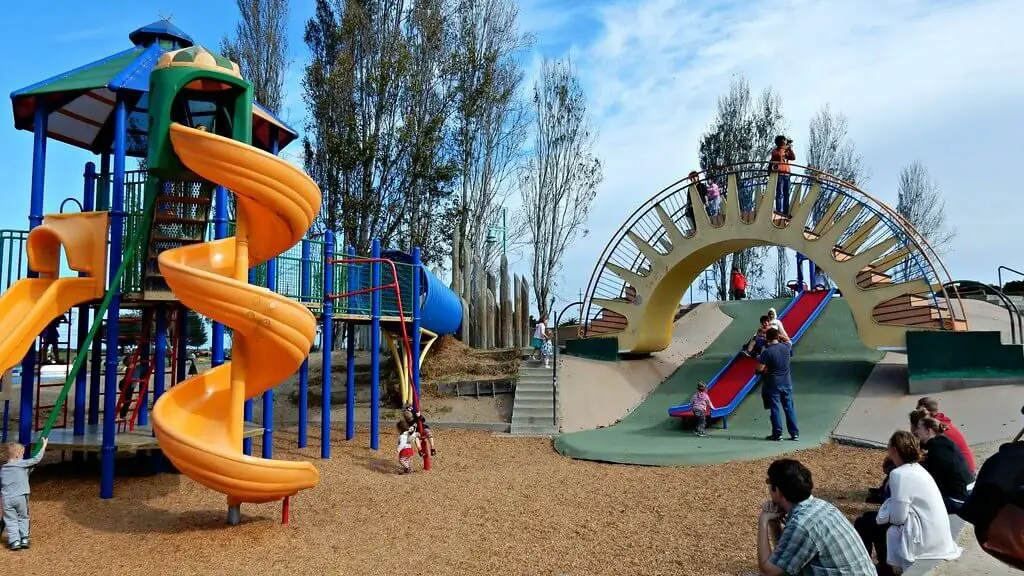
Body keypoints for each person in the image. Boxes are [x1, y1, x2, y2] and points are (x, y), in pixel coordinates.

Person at [756, 458, 876, 575]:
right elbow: (785, 559)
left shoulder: (802, 525)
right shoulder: (821, 506)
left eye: (769, 482)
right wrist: (774, 524)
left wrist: (763, 521)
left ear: (777, 490)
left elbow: (768, 572)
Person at [873, 430, 962, 574]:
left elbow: (898, 518)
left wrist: (886, 510)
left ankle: (878, 568)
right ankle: (882, 566)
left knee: (869, 524)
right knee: (871, 522)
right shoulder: (917, 468)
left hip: (924, 539)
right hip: (936, 534)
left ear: (894, 450)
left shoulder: (898, 474)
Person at [911, 410, 975, 513]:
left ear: (929, 430)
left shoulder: (937, 451)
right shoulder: (944, 443)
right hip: (968, 492)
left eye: (918, 428)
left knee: (915, 500)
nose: (915, 432)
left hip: (958, 499)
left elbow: (928, 479)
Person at [1, 437, 48, 551]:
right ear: (17, 455)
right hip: (21, 496)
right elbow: (36, 459)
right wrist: (43, 446)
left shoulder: (3, 469)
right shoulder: (21, 463)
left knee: (10, 520)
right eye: (22, 454)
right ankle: (24, 538)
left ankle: (14, 541)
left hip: (6, 499)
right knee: (23, 517)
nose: (23, 456)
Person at [757, 328, 799, 442]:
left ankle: (777, 433)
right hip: (787, 382)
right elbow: (789, 340)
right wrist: (779, 336)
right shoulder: (786, 347)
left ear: (768, 338)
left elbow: (759, 369)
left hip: (773, 384)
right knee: (789, 408)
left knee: (775, 409)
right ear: (777, 336)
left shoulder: (767, 352)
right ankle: (794, 433)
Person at [916, 397, 976, 473]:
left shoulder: (936, 427)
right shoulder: (941, 421)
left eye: (918, 411)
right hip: (965, 466)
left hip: (964, 470)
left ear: (925, 411)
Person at [770, 135, 796, 217]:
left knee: (786, 194)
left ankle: (785, 211)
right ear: (781, 142)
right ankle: (779, 211)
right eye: (784, 141)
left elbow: (793, 157)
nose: (786, 142)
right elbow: (778, 156)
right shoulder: (775, 151)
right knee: (780, 193)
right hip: (780, 174)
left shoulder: (785, 150)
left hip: (786, 174)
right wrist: (784, 148)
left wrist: (789, 149)